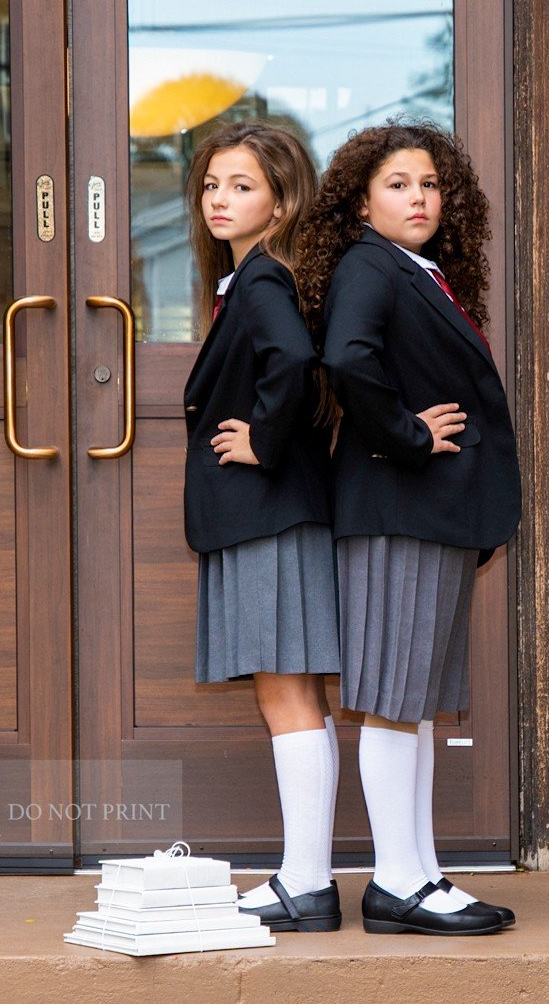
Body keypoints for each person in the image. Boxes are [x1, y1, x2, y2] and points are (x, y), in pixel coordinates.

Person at [296, 121, 520, 936]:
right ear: (362, 199)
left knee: (414, 699)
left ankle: (419, 872)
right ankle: (395, 882)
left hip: (427, 513)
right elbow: (346, 361)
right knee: (394, 698)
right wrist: (412, 433)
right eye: (397, 184)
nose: (418, 197)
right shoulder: (368, 264)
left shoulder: (417, 271)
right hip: (396, 508)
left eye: (428, 184)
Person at [182, 121, 342, 932]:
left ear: (281, 201)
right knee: (299, 693)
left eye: (242, 186)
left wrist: (262, 437)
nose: (220, 199)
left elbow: (291, 361)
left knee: (286, 692)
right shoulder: (253, 277)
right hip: (279, 514)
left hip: (268, 513)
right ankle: (307, 876)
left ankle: (306, 883)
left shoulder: (263, 282)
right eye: (212, 185)